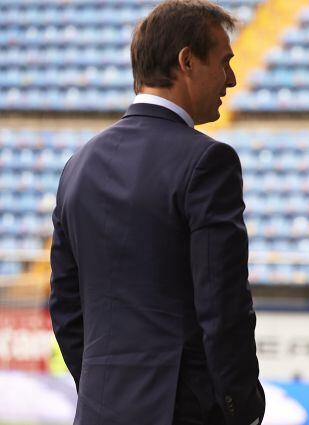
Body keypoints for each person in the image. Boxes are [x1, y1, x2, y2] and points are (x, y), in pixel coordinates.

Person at [49, 1, 265, 424]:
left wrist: (102, 392)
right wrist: (241, 407)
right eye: (224, 62)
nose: (232, 79)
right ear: (186, 61)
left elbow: (65, 307)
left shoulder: (78, 164)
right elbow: (222, 306)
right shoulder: (208, 161)